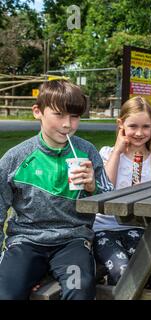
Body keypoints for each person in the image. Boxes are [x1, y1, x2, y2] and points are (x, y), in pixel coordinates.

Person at [0, 80, 114, 300]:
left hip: (72, 242)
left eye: (74, 116)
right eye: (59, 115)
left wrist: (93, 187)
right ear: (38, 112)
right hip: (25, 241)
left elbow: (109, 203)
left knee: (79, 289)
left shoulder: (87, 151)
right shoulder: (16, 158)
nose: (67, 125)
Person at [93, 96, 151, 291]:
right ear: (121, 125)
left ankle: (130, 288)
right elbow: (104, 189)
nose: (139, 132)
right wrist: (118, 151)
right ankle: (119, 288)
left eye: (146, 127)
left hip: (137, 229)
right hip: (103, 229)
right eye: (133, 126)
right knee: (123, 270)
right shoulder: (107, 154)